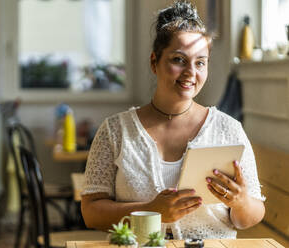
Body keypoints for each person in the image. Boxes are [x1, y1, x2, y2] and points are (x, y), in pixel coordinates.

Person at [81, 1, 265, 240]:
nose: (191, 72)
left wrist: (240, 203)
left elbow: (251, 215)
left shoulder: (228, 130)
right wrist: (151, 211)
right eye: (178, 59)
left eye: (200, 62)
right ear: (154, 62)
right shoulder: (115, 131)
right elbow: (91, 213)